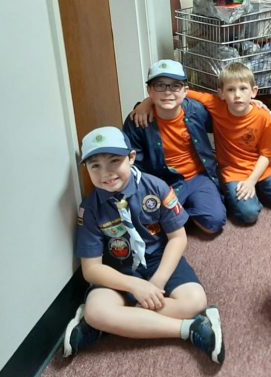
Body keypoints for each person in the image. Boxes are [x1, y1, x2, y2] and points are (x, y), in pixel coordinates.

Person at [63, 126, 225, 364]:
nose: (105, 173)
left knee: (195, 300)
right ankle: (189, 329)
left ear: (131, 157)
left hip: (159, 259)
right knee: (97, 309)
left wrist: (157, 281)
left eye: (114, 161)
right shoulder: (90, 209)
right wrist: (136, 286)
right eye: (94, 165)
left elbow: (178, 238)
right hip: (119, 269)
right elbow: (92, 270)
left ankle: (106, 326)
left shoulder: (156, 187)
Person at [133, 62, 271, 225]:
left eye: (243, 89)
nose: (237, 95)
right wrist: (147, 102)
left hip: (263, 167)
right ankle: (255, 193)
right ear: (221, 94)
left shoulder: (263, 116)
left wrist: (252, 181)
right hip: (233, 171)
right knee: (248, 214)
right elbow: (184, 93)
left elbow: (267, 154)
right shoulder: (215, 104)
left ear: (253, 92)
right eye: (231, 90)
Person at [123, 59, 226, 235]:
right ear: (149, 90)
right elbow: (134, 165)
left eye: (175, 86)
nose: (168, 92)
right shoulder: (138, 120)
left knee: (214, 223)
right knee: (146, 225)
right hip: (163, 182)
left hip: (198, 177)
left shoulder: (197, 110)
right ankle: (176, 213)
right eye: (160, 85)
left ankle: (177, 215)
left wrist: (252, 105)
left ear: (185, 90)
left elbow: (228, 112)